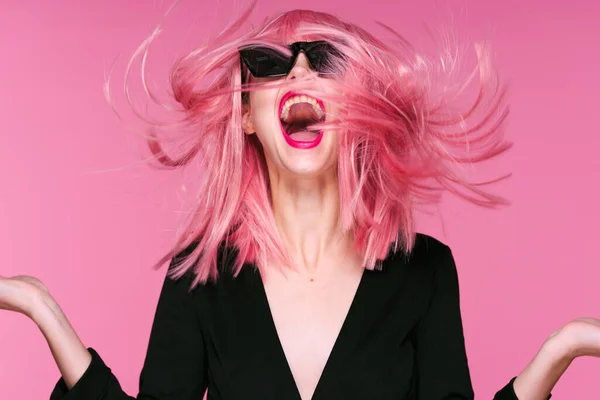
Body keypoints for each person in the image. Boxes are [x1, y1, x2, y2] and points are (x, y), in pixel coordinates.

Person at [1, 5, 599, 400]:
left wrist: (563, 346)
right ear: (245, 115)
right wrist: (41, 308)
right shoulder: (199, 277)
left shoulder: (425, 272)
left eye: (327, 61)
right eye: (268, 64)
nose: (301, 74)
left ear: (357, 105)